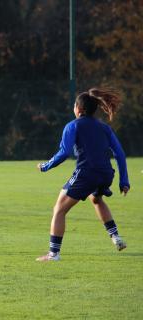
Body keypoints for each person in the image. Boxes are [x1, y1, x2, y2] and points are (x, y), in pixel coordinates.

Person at [36, 87, 130, 262]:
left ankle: (53, 254)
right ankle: (116, 237)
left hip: (86, 173)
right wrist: (124, 180)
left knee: (59, 210)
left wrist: (45, 166)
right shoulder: (104, 128)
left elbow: (65, 152)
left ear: (78, 109)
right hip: (106, 173)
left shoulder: (73, 125)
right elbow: (120, 154)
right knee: (96, 199)